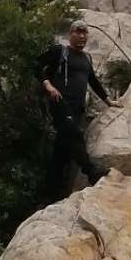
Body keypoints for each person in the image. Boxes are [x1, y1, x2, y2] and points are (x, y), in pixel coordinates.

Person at [39, 20, 112, 196]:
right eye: (77, 32)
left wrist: (109, 101)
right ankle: (91, 171)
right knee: (74, 135)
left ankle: (50, 193)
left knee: (62, 150)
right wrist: (47, 85)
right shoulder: (60, 51)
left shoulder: (86, 58)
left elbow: (93, 81)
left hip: (77, 108)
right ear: (70, 34)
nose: (81, 36)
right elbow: (37, 66)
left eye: (84, 33)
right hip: (60, 103)